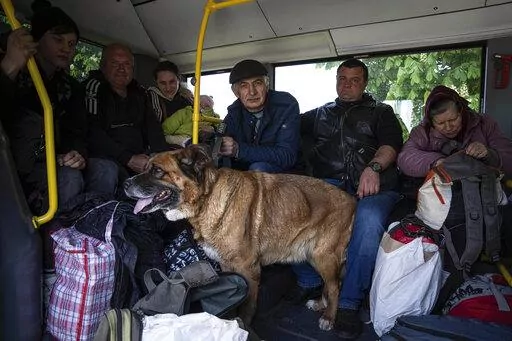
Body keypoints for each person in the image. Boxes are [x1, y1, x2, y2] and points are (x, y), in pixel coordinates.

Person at [292, 59, 403, 339]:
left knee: (368, 221)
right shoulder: (318, 115)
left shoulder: (382, 112)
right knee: (290, 213)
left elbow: (391, 145)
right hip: (329, 186)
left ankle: (349, 303)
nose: (347, 85)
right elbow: (284, 126)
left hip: (374, 185)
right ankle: (311, 281)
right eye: (342, 78)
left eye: (354, 80)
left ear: (365, 83)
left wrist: (374, 167)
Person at [0, 1, 118, 214]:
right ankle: (58, 241)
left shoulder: (70, 87)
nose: (66, 48)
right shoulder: (12, 70)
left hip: (57, 158)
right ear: (36, 40)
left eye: (72, 44)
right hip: (17, 166)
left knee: (106, 169)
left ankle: (95, 233)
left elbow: (77, 130)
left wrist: (76, 153)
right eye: (58, 40)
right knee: (68, 178)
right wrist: (10, 66)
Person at [83, 43, 168, 178]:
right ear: (103, 66)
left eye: (127, 64)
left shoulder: (139, 92)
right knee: (107, 170)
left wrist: (161, 157)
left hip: (140, 156)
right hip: (106, 157)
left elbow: (153, 127)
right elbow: (92, 132)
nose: (121, 69)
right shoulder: (93, 88)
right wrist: (128, 158)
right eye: (115, 63)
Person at [398, 85, 512, 178]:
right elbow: (404, 158)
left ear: (461, 112)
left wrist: (489, 154)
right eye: (440, 123)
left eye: (453, 120)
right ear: (431, 122)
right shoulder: (422, 132)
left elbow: (509, 159)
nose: (448, 127)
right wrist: (437, 161)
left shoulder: (484, 124)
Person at [220, 59, 300, 173]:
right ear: (236, 92)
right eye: (244, 86)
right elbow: (220, 135)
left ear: (266, 85)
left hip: (283, 175)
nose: (252, 92)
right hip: (248, 175)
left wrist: (239, 150)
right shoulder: (234, 111)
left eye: (257, 83)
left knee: (258, 169)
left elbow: (287, 156)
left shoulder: (286, 105)